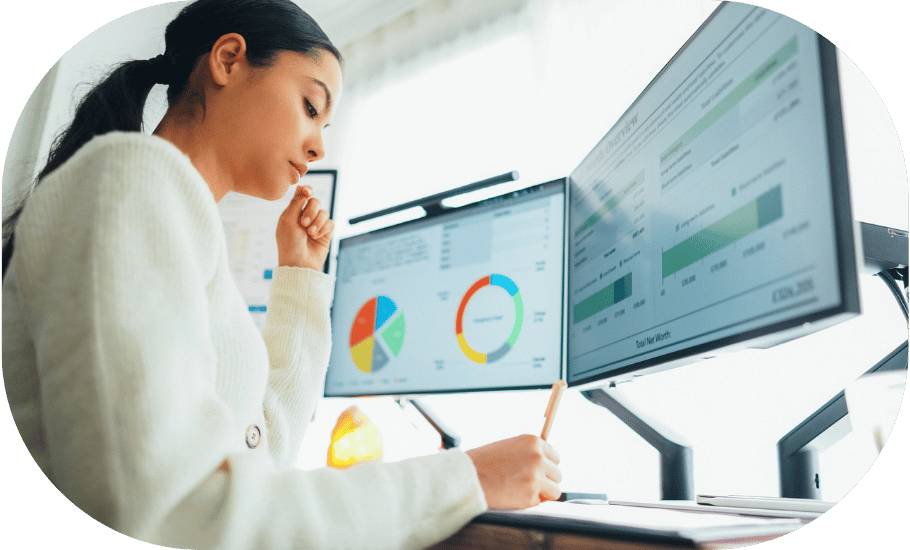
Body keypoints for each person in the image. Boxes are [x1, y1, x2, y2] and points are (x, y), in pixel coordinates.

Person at [0, 1, 562, 549]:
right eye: (311, 106)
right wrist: (465, 479)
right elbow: (170, 512)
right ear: (227, 60)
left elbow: (259, 450)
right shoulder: (130, 178)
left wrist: (299, 274)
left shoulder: (177, 219)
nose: (318, 145)